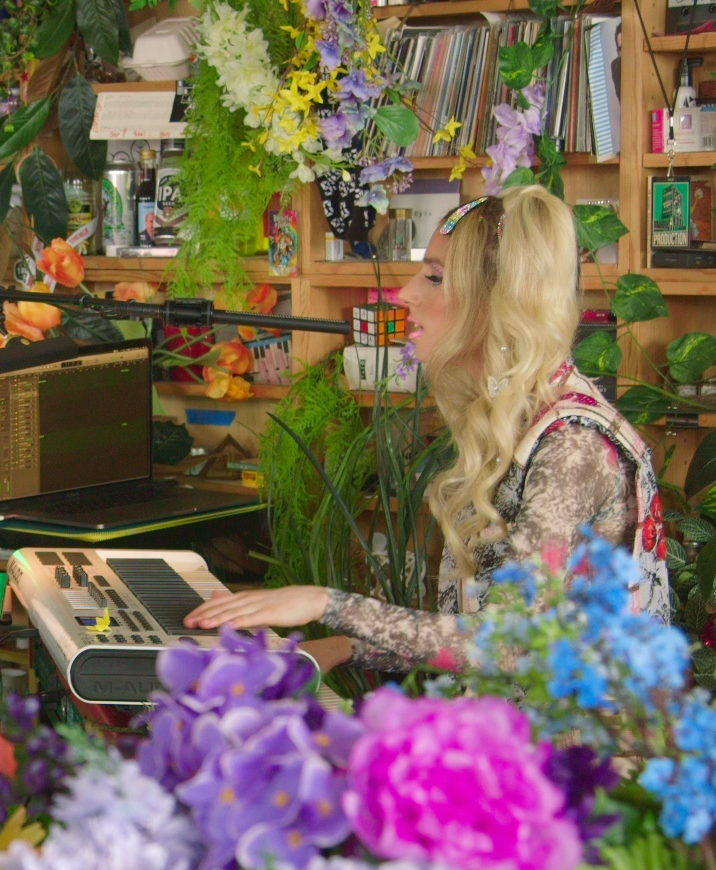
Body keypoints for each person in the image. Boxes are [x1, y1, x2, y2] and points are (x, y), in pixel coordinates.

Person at [185, 186, 668, 671]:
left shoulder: (573, 446)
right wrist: (341, 649)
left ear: (496, 300)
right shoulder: (523, 417)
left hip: (577, 746)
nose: (406, 294)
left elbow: (507, 642)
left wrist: (326, 605)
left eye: (434, 278)